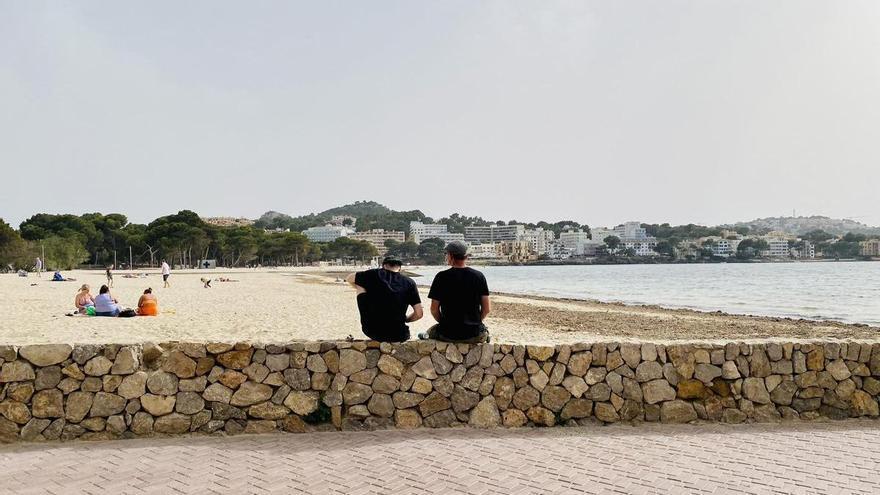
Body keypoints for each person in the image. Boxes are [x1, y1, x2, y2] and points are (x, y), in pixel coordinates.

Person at [419, 241, 491, 343]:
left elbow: (434, 310)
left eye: (447, 254)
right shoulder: (479, 276)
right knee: (483, 332)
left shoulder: (441, 277)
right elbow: (486, 309)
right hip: (473, 333)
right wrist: (475, 322)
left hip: (447, 333)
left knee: (427, 333)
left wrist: (445, 323)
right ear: (465, 257)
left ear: (451, 256)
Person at [345, 256, 423, 342]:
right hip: (400, 334)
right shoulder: (410, 282)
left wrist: (365, 289)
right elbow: (419, 314)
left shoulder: (373, 274)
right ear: (399, 268)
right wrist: (406, 319)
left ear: (384, 266)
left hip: (373, 331)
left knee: (360, 284)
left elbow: (349, 278)